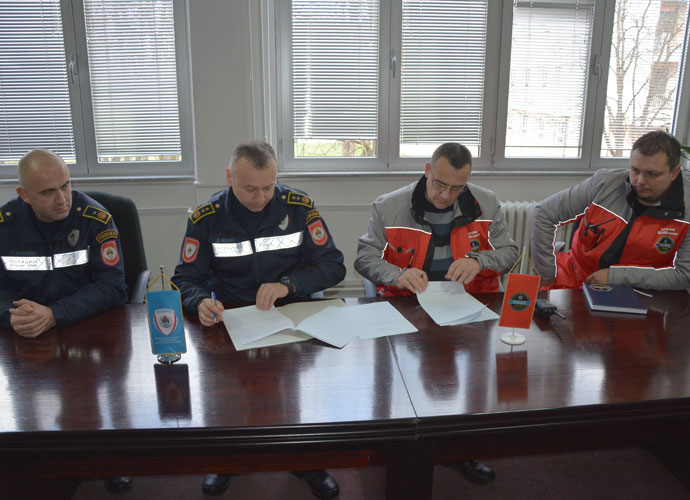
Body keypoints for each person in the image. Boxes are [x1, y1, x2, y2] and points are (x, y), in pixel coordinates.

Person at [172, 139, 345, 499]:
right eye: (250, 188)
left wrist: (288, 284)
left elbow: (333, 266)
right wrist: (199, 301)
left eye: (269, 186)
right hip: (231, 319)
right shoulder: (206, 218)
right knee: (228, 395)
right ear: (229, 177)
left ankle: (309, 461)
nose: (261, 197)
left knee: (299, 393)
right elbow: (185, 278)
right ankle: (227, 459)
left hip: (289, 312)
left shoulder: (299, 207)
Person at [354, 142, 518, 484]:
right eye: (440, 184)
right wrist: (397, 274)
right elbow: (365, 258)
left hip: (470, 308)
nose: (445, 195)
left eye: (456, 188)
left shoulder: (486, 203)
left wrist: (480, 261)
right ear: (427, 171)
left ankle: (461, 451)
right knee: (405, 388)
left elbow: (509, 252)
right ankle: (401, 455)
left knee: (474, 386)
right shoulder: (389, 206)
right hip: (409, 308)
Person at [0, 149, 131, 494]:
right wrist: (11, 315)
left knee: (90, 398)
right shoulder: (4, 225)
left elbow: (113, 286)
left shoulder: (95, 219)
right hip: (25, 333)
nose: (62, 199)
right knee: (26, 403)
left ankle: (106, 462)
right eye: (47, 192)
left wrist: (54, 314)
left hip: (85, 328)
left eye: (66, 186)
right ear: (24, 194)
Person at [531, 130, 690, 290]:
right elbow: (543, 213)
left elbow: (684, 275)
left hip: (642, 290)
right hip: (576, 277)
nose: (640, 181)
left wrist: (615, 277)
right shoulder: (604, 183)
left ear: (674, 173)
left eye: (652, 174)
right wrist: (547, 275)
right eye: (635, 170)